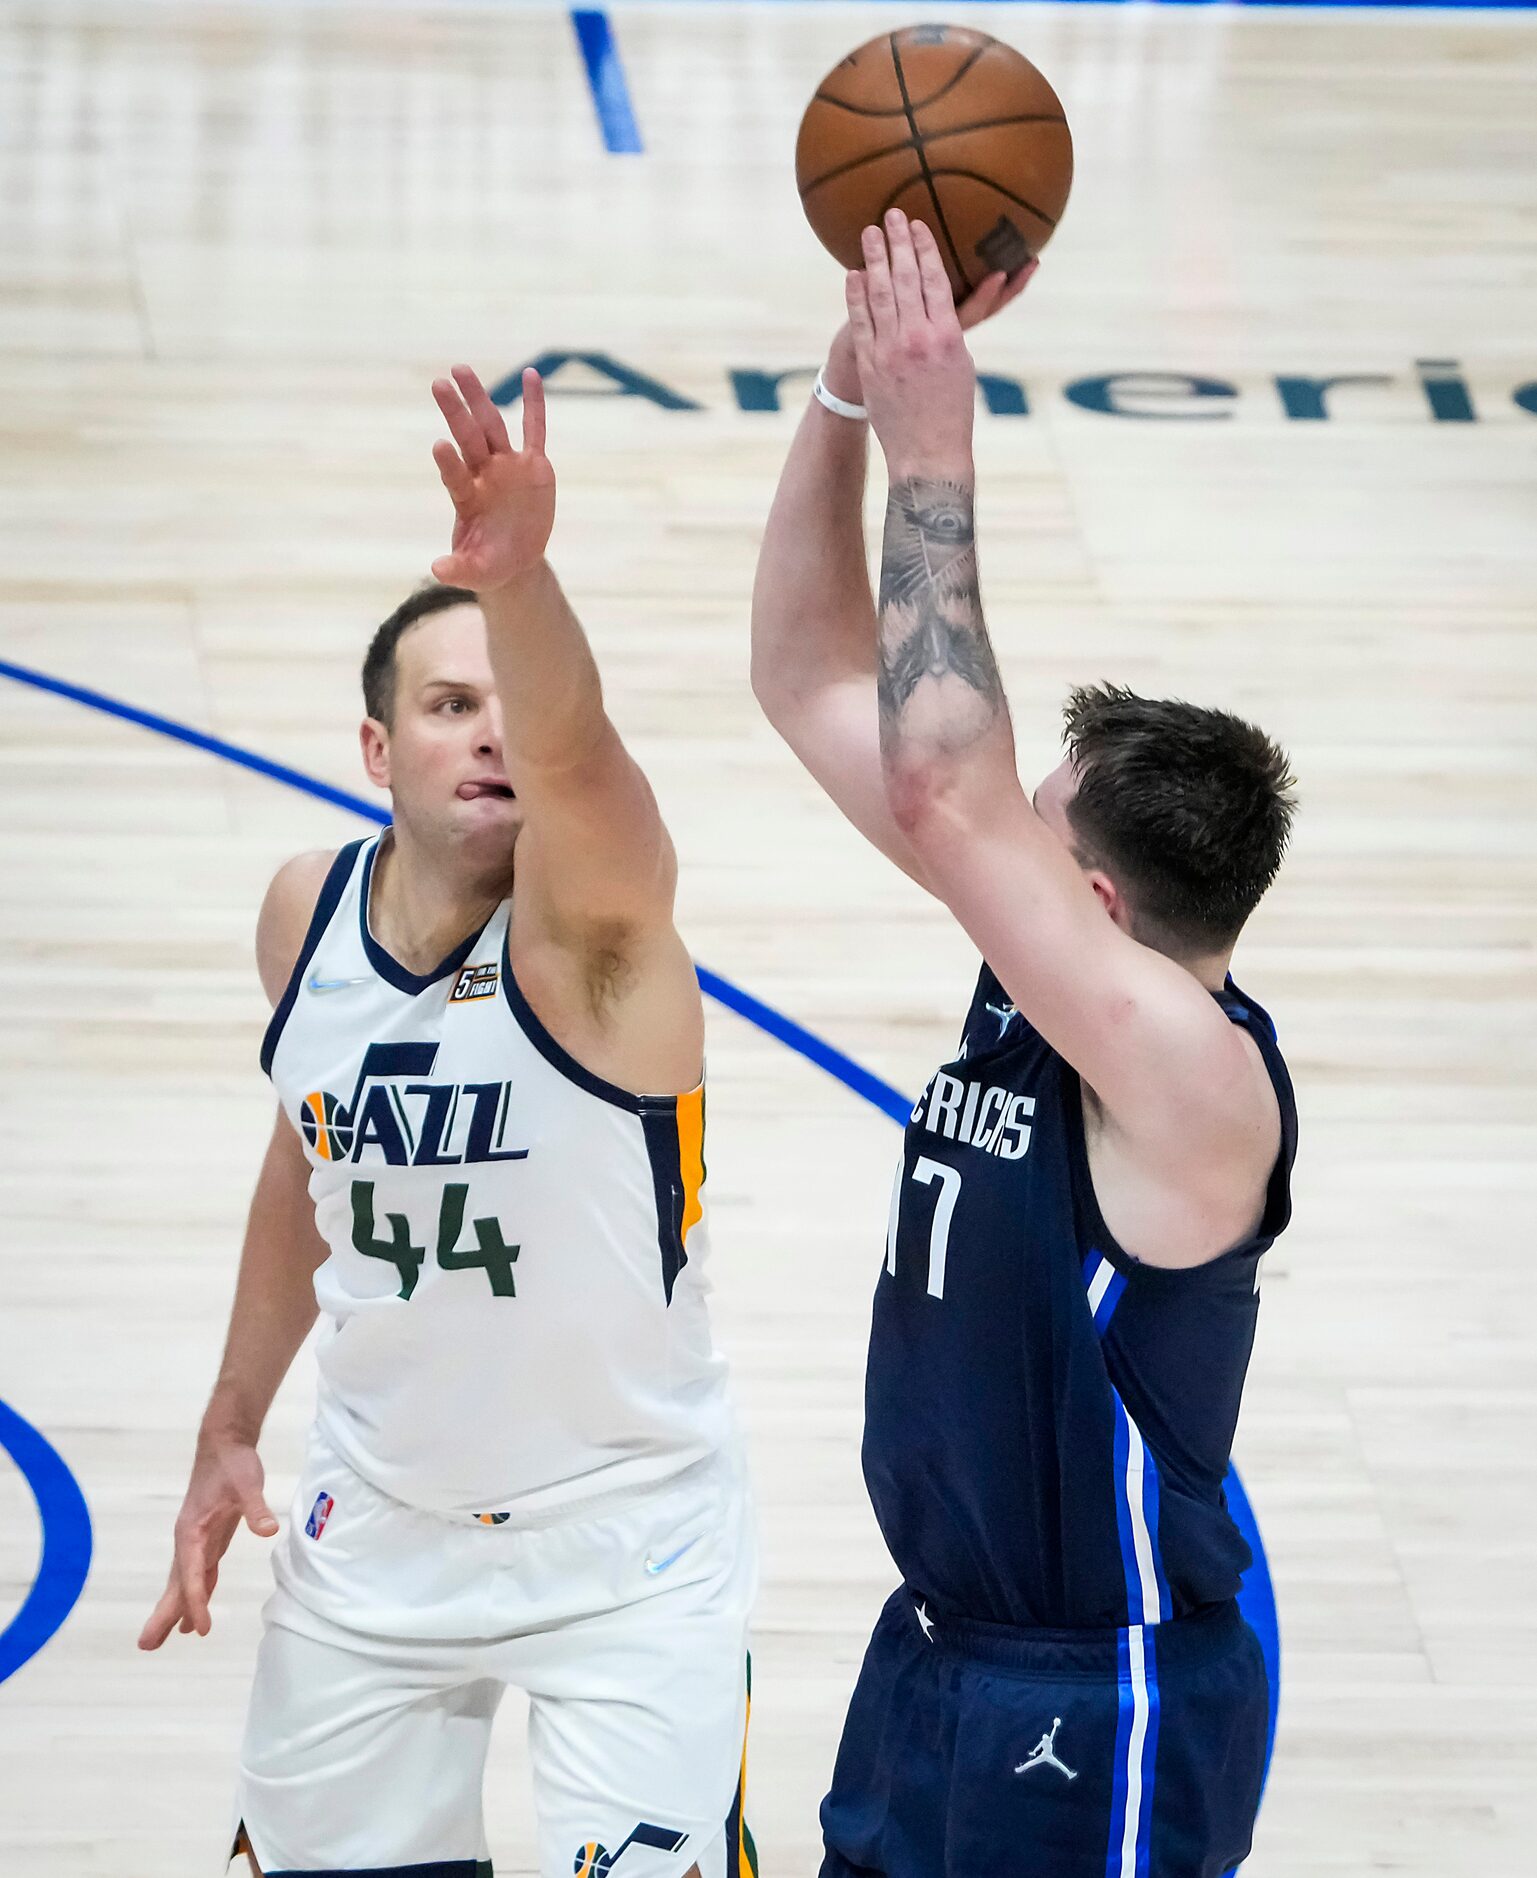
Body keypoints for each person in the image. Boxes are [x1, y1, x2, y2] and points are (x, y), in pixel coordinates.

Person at [139, 365, 757, 1878]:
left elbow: (582, 756)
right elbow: (312, 1157)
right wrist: (230, 1421)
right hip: (382, 1529)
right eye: (447, 704)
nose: (491, 736)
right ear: (378, 749)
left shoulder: (598, 936)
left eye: (505, 706)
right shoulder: (305, 917)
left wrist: (520, 578)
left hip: (628, 1540)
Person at [751, 212, 1299, 1878]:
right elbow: (801, 674)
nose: (977, 832)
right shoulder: (1046, 969)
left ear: (1097, 893)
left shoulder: (1193, 1083)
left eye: (1027, 822)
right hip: (941, 1647)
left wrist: (938, 453)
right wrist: (845, 399)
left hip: (1099, 1696)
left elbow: (936, 778)